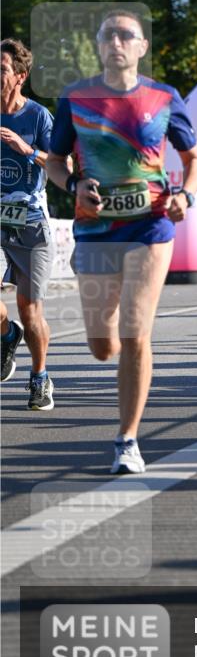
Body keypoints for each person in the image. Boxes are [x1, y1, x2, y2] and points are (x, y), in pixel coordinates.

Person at [46, 9, 197, 474]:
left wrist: (187, 196)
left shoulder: (164, 96)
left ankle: (127, 440)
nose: (116, 41)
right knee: (103, 345)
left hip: (151, 226)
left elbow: (193, 158)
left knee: (137, 330)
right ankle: (109, 327)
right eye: (107, 35)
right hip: (95, 229)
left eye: (125, 35)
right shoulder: (75, 98)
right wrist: (72, 186)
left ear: (141, 47)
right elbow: (55, 161)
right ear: (99, 46)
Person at [1, 38, 56, 408]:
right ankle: (6, 335)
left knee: (30, 310)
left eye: (1, 69)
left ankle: (40, 377)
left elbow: (62, 165)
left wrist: (27, 149)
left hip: (31, 224)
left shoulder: (38, 117)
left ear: (19, 76)